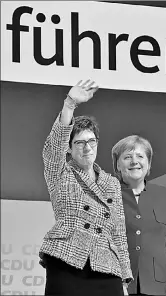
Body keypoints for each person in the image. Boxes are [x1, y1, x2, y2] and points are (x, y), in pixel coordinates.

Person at [39, 79, 133, 296]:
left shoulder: (111, 183)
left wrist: (125, 278)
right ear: (70, 149)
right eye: (79, 143)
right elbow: (53, 150)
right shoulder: (61, 173)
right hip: (67, 261)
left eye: (91, 141)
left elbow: (118, 232)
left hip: (106, 267)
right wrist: (70, 104)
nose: (87, 147)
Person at [112, 135, 166, 296]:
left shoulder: (165, 196)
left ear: (148, 163)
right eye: (127, 157)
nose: (134, 161)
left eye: (140, 156)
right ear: (117, 164)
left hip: (158, 287)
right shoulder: (107, 195)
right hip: (116, 285)